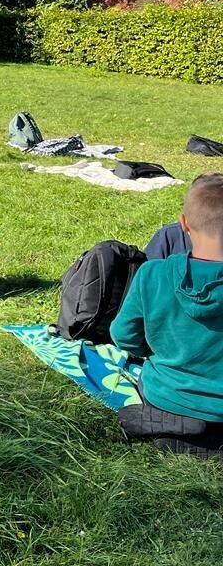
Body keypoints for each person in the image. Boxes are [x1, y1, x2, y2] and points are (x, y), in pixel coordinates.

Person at [111, 173, 223, 456]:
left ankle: (174, 422)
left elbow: (123, 335)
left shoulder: (152, 273)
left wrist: (155, 349)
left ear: (183, 224)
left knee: (159, 387)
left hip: (166, 394)